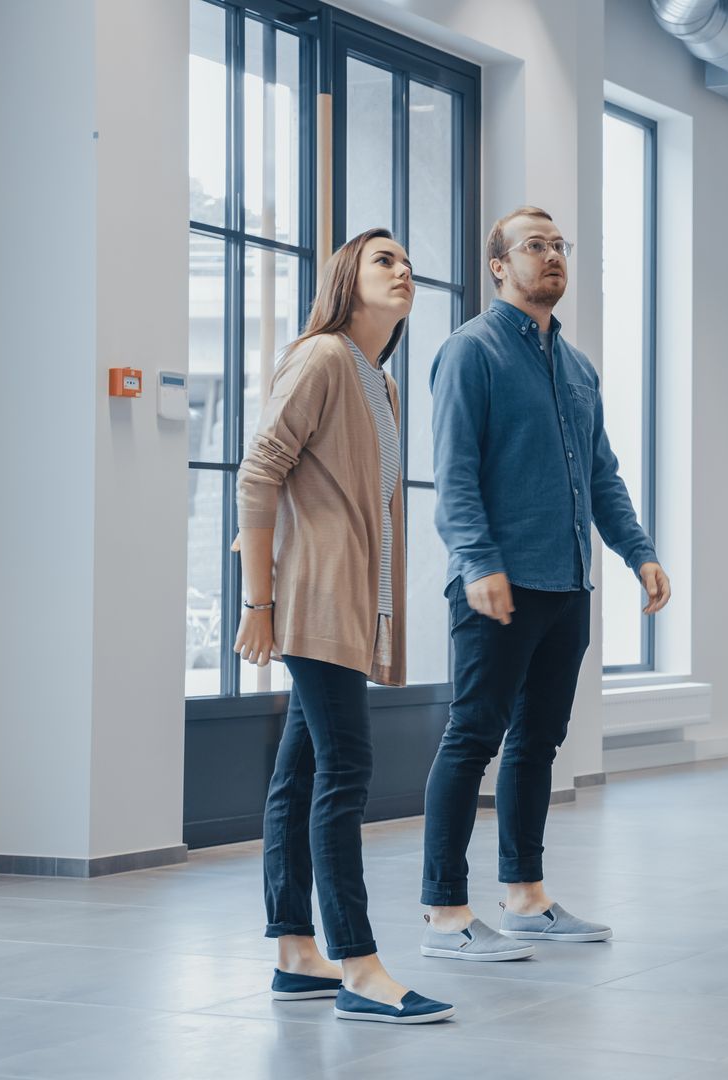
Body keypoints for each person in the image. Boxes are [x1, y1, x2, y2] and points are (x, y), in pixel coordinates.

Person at [418, 206, 672, 959]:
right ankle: (443, 914)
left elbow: (601, 476)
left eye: (560, 245)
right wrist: (479, 563)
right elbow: (454, 476)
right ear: (499, 266)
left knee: (539, 742)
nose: (553, 256)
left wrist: (640, 553)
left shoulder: (578, 366)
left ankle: (525, 897)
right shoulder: (471, 352)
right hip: (498, 586)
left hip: (566, 586)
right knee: (472, 740)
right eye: (535, 246)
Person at [236, 228, 453, 1023]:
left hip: (351, 604)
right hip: (312, 598)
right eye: (383, 260)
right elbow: (259, 472)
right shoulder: (323, 357)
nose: (403, 271)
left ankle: (297, 953)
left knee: (301, 772)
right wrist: (258, 603)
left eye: (406, 262)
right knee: (346, 770)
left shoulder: (379, 384)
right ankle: (360, 965)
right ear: (346, 280)